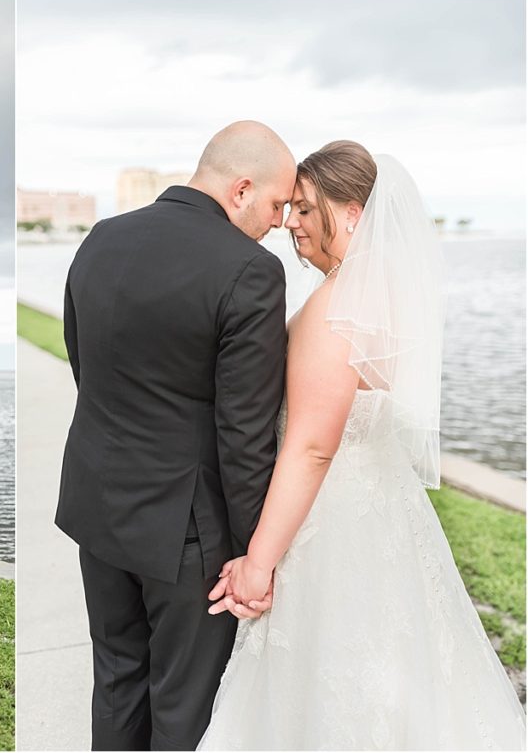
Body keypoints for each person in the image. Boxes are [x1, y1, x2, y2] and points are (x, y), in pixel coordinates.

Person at [199, 141, 526, 749]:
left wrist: (258, 564)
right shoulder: (387, 297)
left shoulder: (336, 310)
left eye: (303, 207)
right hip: (387, 512)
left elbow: (313, 449)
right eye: (289, 207)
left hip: (331, 522)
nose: (289, 222)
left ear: (352, 213)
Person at [55, 121, 296, 750]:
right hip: (186, 530)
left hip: (98, 508)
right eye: (277, 204)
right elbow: (244, 435)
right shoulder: (251, 270)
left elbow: (85, 365)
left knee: (116, 681)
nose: (278, 221)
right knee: (185, 707)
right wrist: (254, 554)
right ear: (242, 189)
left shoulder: (100, 240)